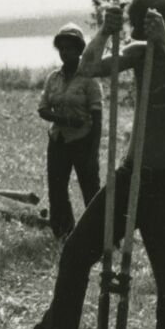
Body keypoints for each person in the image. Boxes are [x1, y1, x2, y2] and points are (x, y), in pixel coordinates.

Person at [5, 0, 165, 329]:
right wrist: (104, 32)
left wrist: (164, 38)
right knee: (77, 250)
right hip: (131, 175)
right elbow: (88, 69)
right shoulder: (140, 54)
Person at [38, 23, 104, 241]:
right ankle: (63, 232)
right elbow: (43, 109)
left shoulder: (90, 79)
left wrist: (93, 153)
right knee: (56, 189)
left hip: (83, 141)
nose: (65, 53)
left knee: (90, 188)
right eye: (62, 48)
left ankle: (99, 234)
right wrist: (65, 119)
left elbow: (97, 116)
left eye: (70, 48)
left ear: (80, 50)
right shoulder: (53, 78)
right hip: (58, 140)